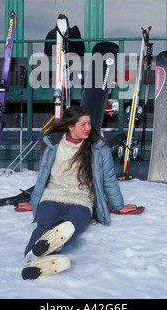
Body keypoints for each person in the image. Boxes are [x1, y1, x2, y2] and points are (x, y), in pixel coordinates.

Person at [20, 105, 138, 281]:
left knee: (68, 226)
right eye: (83, 124)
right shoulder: (53, 144)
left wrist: (118, 206)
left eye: (89, 124)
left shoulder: (99, 149)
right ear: (70, 126)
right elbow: (42, 176)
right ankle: (31, 257)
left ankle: (39, 252)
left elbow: (109, 180)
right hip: (52, 195)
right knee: (43, 224)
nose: (88, 128)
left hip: (81, 200)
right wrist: (35, 201)